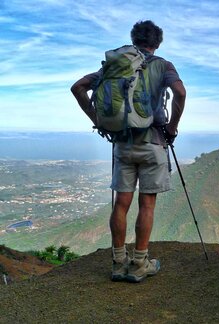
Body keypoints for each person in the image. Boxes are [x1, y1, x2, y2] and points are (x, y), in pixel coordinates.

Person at [71, 20, 186, 283]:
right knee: (147, 203)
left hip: (122, 143)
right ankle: (139, 263)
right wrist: (173, 127)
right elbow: (179, 92)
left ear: (134, 39)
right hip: (153, 142)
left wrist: (97, 118)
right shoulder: (163, 65)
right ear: (157, 43)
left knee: (121, 203)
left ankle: (118, 261)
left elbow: (77, 87)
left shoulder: (115, 66)